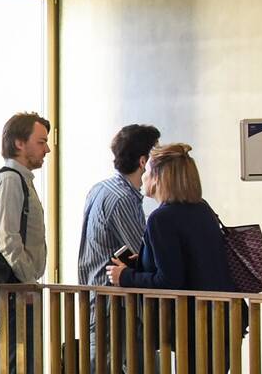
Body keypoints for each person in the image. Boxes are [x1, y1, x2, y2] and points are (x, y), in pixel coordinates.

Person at [106, 143, 242, 370]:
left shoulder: (162, 218)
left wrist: (126, 276)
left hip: (193, 325)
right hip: (223, 317)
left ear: (159, 177)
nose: (143, 176)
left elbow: (168, 281)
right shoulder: (203, 210)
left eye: (147, 171)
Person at [76, 124, 156, 370]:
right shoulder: (123, 199)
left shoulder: (100, 188)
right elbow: (144, 253)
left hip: (96, 297)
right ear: (143, 161)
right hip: (115, 305)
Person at [0, 112, 51, 373]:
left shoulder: (18, 179)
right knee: (20, 364)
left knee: (24, 362)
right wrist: (27, 283)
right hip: (14, 290)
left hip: (17, 290)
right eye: (41, 142)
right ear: (19, 143)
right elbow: (8, 239)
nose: (47, 149)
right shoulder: (10, 180)